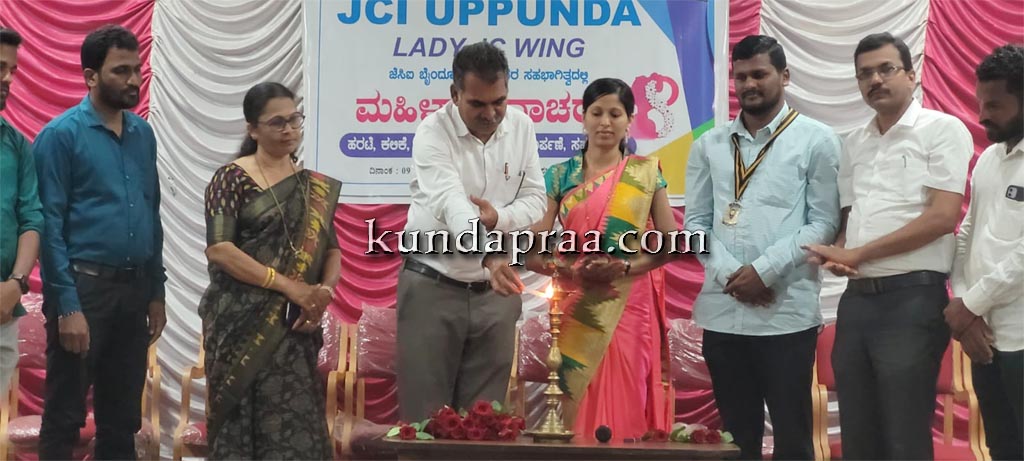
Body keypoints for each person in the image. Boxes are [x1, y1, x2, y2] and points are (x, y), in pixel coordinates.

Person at [805, 32, 973, 460]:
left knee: (904, 437)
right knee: (858, 435)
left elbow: (942, 217)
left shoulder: (942, 129)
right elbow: (850, 218)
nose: (875, 80)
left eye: (886, 69)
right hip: (857, 302)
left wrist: (857, 254)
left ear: (912, 75)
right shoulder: (854, 141)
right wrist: (837, 252)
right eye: (865, 74)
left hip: (912, 300)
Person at [685, 35, 841, 460]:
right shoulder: (709, 145)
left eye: (759, 74)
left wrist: (764, 271)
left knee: (793, 438)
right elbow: (695, 225)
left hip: (785, 315)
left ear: (784, 76)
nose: (749, 84)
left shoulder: (817, 140)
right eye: (741, 77)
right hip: (723, 313)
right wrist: (733, 277)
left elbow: (825, 222)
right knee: (736, 442)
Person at [33, 25, 166, 460]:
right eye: (121, 71)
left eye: (137, 69)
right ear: (91, 76)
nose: (134, 80)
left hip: (134, 290)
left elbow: (151, 214)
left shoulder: (143, 134)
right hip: (83, 290)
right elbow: (49, 227)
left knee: (122, 419)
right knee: (66, 415)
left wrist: (156, 292)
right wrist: (67, 307)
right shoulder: (61, 136)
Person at [397, 41, 546, 422]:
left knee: (484, 423)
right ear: (454, 94)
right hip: (433, 286)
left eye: (500, 101)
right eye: (478, 104)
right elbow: (452, 203)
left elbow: (536, 200)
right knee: (425, 423)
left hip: (495, 296)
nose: (491, 113)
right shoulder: (432, 132)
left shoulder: (522, 127)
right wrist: (490, 255)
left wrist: (499, 219)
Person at [522, 77, 677, 440]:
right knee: (577, 393)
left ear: (630, 120)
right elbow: (531, 252)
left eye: (615, 114)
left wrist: (624, 267)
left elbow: (670, 245)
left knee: (625, 395)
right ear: (583, 117)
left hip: (627, 302)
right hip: (577, 302)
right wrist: (569, 270)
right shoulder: (559, 175)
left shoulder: (646, 174)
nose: (605, 122)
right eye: (597, 113)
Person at [199, 81, 340, 459]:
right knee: (242, 428)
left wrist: (322, 294)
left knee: (296, 430)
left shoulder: (312, 187)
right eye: (277, 122)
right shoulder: (231, 178)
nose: (289, 129)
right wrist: (288, 287)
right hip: (241, 326)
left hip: (295, 327)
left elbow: (331, 251)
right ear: (253, 129)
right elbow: (220, 249)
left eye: (294, 119)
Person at [947, 44, 1024, 461]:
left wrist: (970, 305)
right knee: (1002, 448)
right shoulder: (989, 159)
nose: (981, 115)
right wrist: (965, 306)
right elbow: (967, 235)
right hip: (985, 337)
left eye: (994, 105)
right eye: (980, 103)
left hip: (1021, 336)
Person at [0, 26, 43, 395]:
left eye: (12, 69)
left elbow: (31, 220)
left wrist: (16, 284)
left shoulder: (17, 145)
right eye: (0, 67)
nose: (8, 79)